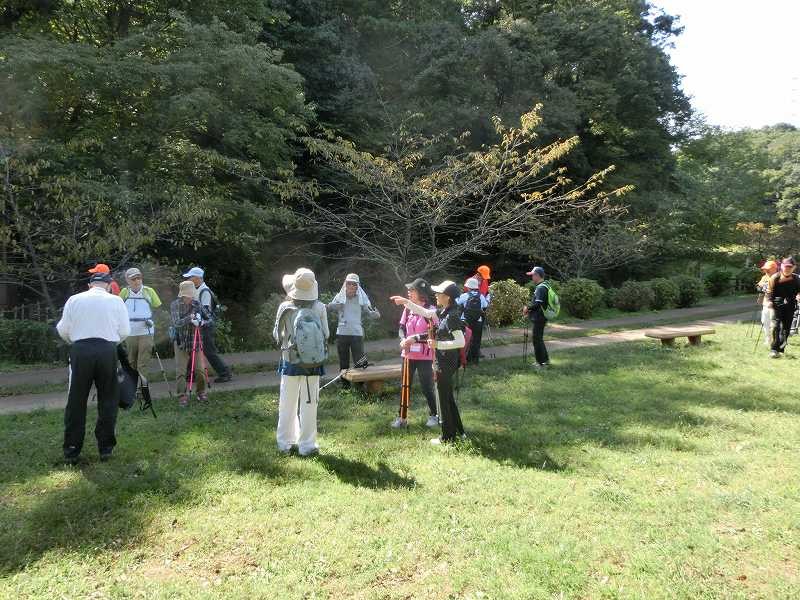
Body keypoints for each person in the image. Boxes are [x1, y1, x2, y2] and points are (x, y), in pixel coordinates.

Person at [56, 272, 130, 464]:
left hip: (81, 350)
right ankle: (106, 448)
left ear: (90, 285)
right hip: (106, 350)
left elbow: (63, 329)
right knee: (108, 398)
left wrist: (76, 341)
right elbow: (124, 331)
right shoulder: (116, 301)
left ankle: (72, 449)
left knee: (76, 401)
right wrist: (109, 343)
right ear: (107, 286)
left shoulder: (74, 300)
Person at [392, 280, 466, 444]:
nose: (436, 296)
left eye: (439, 293)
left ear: (447, 297)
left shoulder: (452, 316)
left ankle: (447, 437)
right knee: (448, 399)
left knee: (444, 400)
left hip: (446, 363)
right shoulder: (444, 311)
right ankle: (460, 432)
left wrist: (438, 344)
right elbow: (425, 312)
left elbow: (460, 342)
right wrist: (406, 302)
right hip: (443, 361)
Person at [273, 268, 329, 456]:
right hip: (313, 363)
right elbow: (326, 334)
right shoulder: (320, 307)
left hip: (289, 361)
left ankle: (284, 443)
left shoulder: (285, 307)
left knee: (287, 402)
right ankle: (307, 445)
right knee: (310, 403)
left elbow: (276, 336)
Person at [392, 278, 439, 429]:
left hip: (425, 356)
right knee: (405, 386)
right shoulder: (407, 309)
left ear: (420, 293)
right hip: (407, 355)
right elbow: (401, 328)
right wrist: (403, 339)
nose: (408, 292)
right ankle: (402, 418)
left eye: (412, 290)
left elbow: (434, 333)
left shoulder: (430, 310)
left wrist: (415, 339)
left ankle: (434, 415)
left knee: (427, 387)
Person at [327, 273, 381, 389]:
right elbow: (330, 307)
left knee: (359, 361)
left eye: (354, 284)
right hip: (342, 333)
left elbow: (368, 312)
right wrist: (333, 306)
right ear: (345, 285)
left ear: (357, 286)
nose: (351, 286)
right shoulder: (340, 296)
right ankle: (345, 386)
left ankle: (360, 386)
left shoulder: (361, 297)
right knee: (343, 362)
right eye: (349, 284)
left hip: (356, 333)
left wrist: (375, 314)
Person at [183, 266, 232, 383]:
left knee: (208, 351)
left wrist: (197, 318)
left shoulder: (204, 291)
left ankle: (225, 373)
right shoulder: (196, 289)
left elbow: (206, 311)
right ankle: (191, 375)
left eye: (190, 277)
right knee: (193, 349)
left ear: (197, 278)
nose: (188, 279)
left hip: (205, 326)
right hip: (198, 324)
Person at [170, 280, 210, 405]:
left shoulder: (197, 304)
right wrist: (190, 318)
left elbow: (209, 318)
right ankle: (182, 395)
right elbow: (177, 323)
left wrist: (202, 322)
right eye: (188, 295)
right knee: (181, 371)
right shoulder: (175, 304)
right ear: (182, 295)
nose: (190, 297)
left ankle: (201, 392)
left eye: (192, 295)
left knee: (200, 369)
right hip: (181, 342)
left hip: (196, 341)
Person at [119, 267, 162, 379]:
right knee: (132, 361)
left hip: (146, 330)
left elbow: (158, 309)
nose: (137, 281)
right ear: (127, 280)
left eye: (139, 278)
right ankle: (133, 386)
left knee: (143, 362)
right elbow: (118, 310)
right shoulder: (124, 292)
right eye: (133, 279)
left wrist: (152, 321)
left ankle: (142, 388)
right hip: (130, 331)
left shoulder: (149, 291)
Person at [767, 257, 800, 358]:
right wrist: (769, 301)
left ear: (794, 267)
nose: (787, 268)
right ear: (781, 266)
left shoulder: (796, 279)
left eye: (790, 267)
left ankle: (781, 348)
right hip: (777, 304)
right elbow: (769, 291)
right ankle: (774, 349)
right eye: (786, 266)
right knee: (776, 326)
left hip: (790, 305)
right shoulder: (775, 278)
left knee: (786, 328)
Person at [522, 266, 550, 368]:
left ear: (537, 275)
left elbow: (538, 304)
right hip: (541, 316)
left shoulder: (541, 288)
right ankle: (544, 360)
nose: (532, 277)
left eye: (533, 275)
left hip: (539, 317)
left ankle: (540, 363)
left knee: (536, 340)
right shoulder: (545, 285)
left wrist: (527, 308)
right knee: (539, 339)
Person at [457, 277, 489, 365]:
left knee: (466, 340)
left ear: (468, 287)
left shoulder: (464, 296)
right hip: (478, 321)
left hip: (466, 321)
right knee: (476, 341)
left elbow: (457, 302)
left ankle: (465, 359)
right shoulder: (481, 296)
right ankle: (475, 361)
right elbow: (485, 305)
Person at [756, 260, 778, 347]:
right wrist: (760, 295)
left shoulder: (779, 277)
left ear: (774, 269)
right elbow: (759, 287)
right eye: (765, 269)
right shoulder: (764, 277)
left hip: (775, 304)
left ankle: (776, 341)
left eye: (768, 269)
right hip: (765, 303)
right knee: (765, 321)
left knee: (774, 323)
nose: (766, 270)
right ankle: (768, 339)